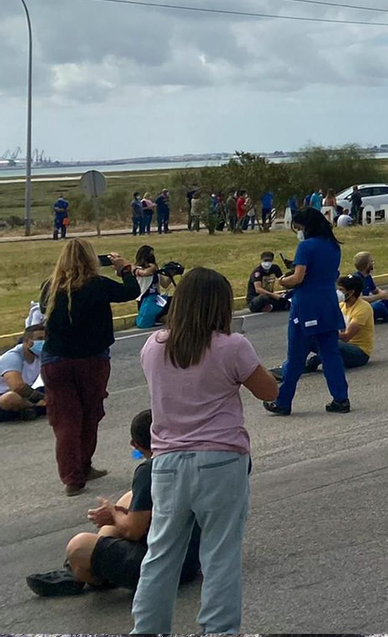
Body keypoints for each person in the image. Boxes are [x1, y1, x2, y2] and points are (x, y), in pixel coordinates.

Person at [131, 267, 279, 634]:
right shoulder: (231, 346)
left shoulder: (154, 346)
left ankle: (147, 629)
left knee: (161, 555)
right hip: (220, 458)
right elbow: (268, 391)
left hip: (165, 462)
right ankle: (218, 629)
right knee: (220, 555)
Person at [25, 409, 202, 600]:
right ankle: (80, 567)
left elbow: (133, 530)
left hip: (166, 567)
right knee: (129, 498)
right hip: (191, 558)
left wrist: (113, 514)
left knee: (78, 546)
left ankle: (86, 573)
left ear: (135, 445)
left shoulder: (149, 470)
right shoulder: (192, 456)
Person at [38, 239, 140, 494]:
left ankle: (73, 476)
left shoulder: (50, 287)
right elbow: (131, 291)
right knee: (90, 413)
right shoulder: (98, 285)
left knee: (65, 419)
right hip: (91, 359)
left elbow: (42, 310)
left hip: (56, 360)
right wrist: (123, 268)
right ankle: (83, 464)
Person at [263, 208, 350, 416]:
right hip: (328, 303)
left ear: (306, 226)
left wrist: (284, 281)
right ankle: (341, 398)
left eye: (299, 228)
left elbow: (298, 278)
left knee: (295, 357)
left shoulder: (306, 246)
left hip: (306, 305)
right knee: (330, 354)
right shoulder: (333, 245)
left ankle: (283, 401)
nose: (298, 232)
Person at [0, 324, 47, 421]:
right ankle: (40, 408)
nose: (43, 342)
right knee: (10, 398)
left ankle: (34, 409)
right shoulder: (13, 357)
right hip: (5, 395)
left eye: (46, 338)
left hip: (25, 394)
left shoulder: (40, 355)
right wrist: (42, 399)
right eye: (39, 338)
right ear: (26, 341)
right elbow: (18, 387)